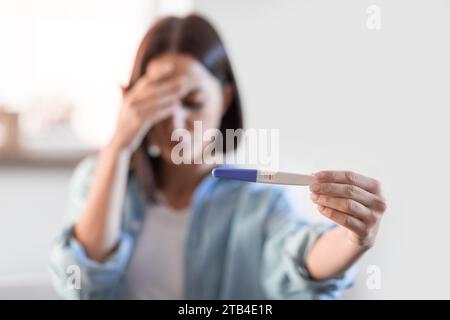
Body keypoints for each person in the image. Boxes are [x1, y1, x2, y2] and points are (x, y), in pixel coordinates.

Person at [49, 14, 387, 299]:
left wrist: (351, 238)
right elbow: (86, 285)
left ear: (224, 98)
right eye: (158, 105)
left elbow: (299, 262)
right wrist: (118, 146)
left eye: (192, 102)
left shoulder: (257, 203)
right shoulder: (99, 178)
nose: (175, 124)